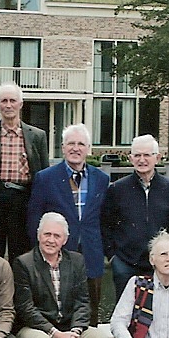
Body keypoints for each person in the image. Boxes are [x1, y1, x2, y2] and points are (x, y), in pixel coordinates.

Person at [25, 124, 111, 319]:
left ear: (88, 149)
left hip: (91, 253)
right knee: (58, 308)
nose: (75, 148)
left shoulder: (101, 179)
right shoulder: (45, 178)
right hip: (57, 253)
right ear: (63, 147)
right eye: (71, 143)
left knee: (91, 310)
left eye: (81, 144)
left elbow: (106, 218)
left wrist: (107, 249)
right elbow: (34, 218)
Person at [0, 82, 50, 259]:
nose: (8, 105)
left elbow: (44, 174)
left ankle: (19, 287)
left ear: (21, 104)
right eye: (4, 101)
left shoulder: (37, 136)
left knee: (22, 252)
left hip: (23, 200)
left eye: (12, 101)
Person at [102, 134, 169, 304]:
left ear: (157, 157)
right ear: (130, 158)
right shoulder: (117, 189)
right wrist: (113, 257)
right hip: (126, 263)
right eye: (137, 155)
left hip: (161, 264)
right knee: (126, 314)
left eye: (147, 155)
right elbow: (106, 225)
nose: (142, 160)